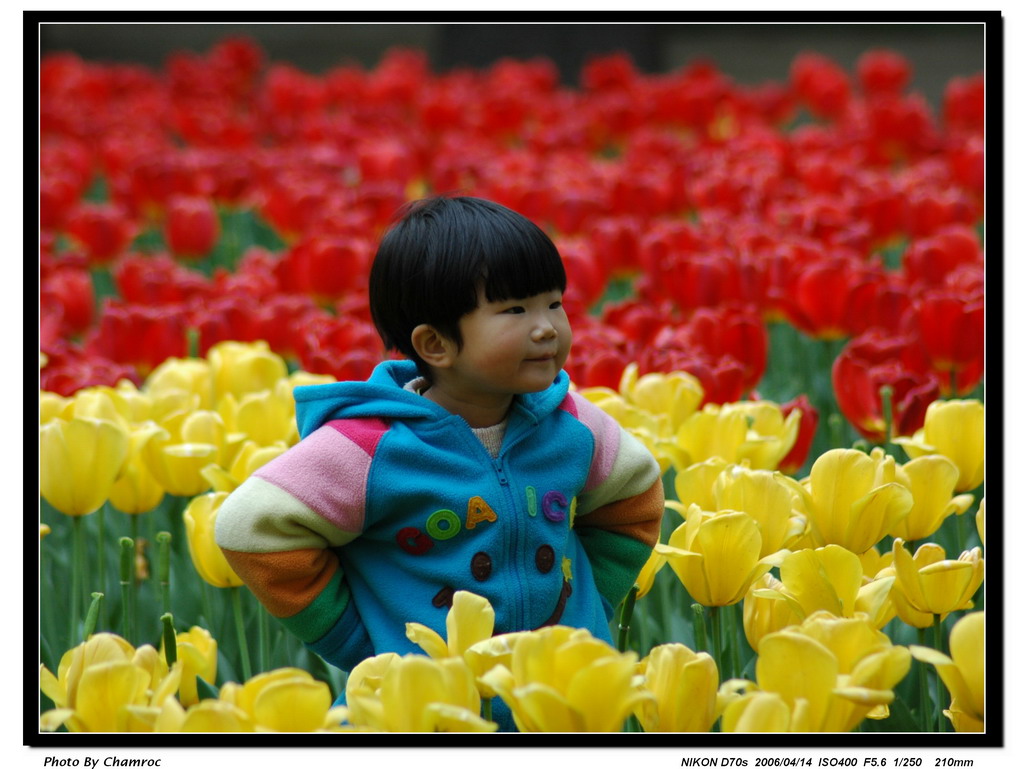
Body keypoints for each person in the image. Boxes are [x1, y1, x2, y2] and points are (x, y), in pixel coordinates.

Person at [214, 195, 665, 728]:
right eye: (515, 310)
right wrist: (362, 641)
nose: (547, 327)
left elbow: (635, 491)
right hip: (420, 714)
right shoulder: (373, 445)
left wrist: (590, 609)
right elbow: (250, 527)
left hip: (562, 706)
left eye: (554, 303)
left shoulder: (568, 423)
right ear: (435, 344)